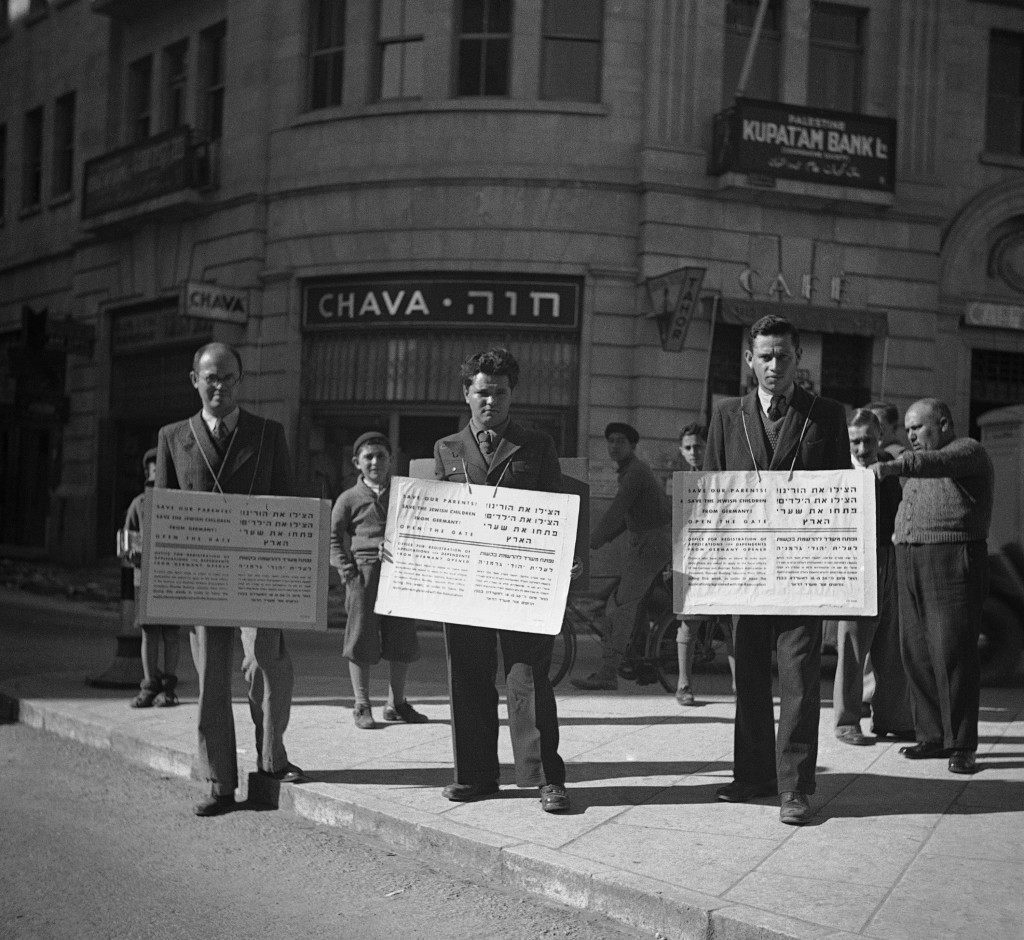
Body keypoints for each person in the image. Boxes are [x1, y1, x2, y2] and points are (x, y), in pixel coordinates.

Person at [704, 315, 848, 825]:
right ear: (749, 360)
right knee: (748, 678)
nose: (772, 365)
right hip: (743, 573)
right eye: (763, 356)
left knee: (799, 680)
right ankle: (754, 776)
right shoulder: (726, 416)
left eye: (782, 356)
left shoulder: (827, 416)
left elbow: (841, 497)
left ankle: (795, 787)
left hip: (801, 572)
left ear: (797, 359)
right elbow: (710, 496)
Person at [156, 342, 306, 817]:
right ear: (195, 381)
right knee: (212, 682)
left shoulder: (268, 433)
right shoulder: (173, 436)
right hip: (202, 581)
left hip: (259, 578)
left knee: (266, 666)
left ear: (241, 381)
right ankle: (220, 782)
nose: (219, 386)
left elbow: (286, 505)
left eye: (228, 378)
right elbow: (167, 512)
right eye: (210, 378)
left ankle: (272, 758)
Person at [433, 347, 570, 813]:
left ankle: (545, 777)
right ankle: (475, 776)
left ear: (513, 395)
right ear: (466, 394)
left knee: (527, 679)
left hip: (522, 584)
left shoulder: (538, 444)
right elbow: (438, 518)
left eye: (501, 392)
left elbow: (558, 511)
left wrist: (561, 564)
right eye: (483, 392)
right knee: (468, 678)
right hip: (466, 587)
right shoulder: (447, 448)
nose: (491, 401)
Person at [870, 398, 993, 775]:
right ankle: (932, 736)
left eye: (918, 428)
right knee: (916, 651)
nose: (911, 436)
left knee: (952, 652)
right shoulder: (917, 464)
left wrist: (894, 465)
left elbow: (934, 463)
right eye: (906, 430)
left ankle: (962, 744)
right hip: (909, 557)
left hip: (952, 558)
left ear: (943, 423)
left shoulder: (965, 451)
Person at [331, 431, 427, 730]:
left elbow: (421, 527)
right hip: (364, 575)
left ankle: (396, 703)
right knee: (361, 637)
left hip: (399, 574)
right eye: (368, 457)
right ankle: (361, 704)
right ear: (356, 463)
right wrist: (348, 572)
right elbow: (334, 537)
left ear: (391, 460)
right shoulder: (348, 498)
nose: (375, 462)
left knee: (401, 638)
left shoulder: (404, 493)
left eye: (381, 456)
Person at [571, 422, 672, 691]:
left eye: (620, 441)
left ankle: (607, 673)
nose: (614, 446)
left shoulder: (636, 472)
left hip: (650, 545)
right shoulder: (630, 470)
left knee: (619, 609)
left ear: (632, 445)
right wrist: (599, 540)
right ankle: (632, 658)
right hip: (646, 544)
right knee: (623, 601)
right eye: (610, 441)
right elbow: (626, 519)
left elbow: (617, 511)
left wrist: (591, 540)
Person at [833, 410, 913, 745]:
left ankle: (891, 716)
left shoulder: (890, 468)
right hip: (854, 562)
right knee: (853, 644)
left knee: (892, 642)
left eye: (868, 439)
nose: (862, 447)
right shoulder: (836, 471)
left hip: (889, 557)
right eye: (855, 441)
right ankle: (846, 720)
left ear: (879, 436)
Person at [671, 423, 736, 705]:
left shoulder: (722, 477)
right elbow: (673, 528)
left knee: (732, 625)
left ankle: (739, 687)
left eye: (698, 446)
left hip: (723, 558)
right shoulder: (678, 481)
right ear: (681, 451)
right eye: (688, 447)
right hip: (692, 560)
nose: (694, 452)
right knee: (688, 624)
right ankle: (683, 685)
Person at [121, 447, 181, 708]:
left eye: (162, 467)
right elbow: (127, 539)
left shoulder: (180, 501)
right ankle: (149, 686)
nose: (157, 472)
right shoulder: (139, 503)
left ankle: (168, 689)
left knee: (170, 633)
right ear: (147, 472)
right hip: (144, 576)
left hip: (172, 577)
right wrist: (131, 553)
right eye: (153, 468)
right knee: (149, 633)